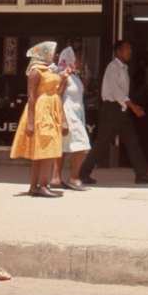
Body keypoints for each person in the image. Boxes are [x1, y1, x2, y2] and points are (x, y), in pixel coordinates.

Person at [80, 39, 148, 185]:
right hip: (112, 110)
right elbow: (116, 92)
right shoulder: (113, 67)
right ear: (118, 52)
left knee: (132, 141)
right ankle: (83, 173)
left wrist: (131, 105)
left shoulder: (124, 68)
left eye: (130, 49)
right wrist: (133, 106)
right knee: (102, 143)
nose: (130, 52)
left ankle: (142, 174)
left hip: (121, 110)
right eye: (126, 49)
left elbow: (122, 92)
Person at [9, 41, 69, 198]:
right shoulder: (36, 71)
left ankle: (35, 186)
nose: (54, 55)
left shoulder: (50, 70)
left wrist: (63, 79)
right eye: (52, 52)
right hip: (41, 110)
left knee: (42, 150)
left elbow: (58, 93)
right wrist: (30, 121)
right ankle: (42, 185)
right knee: (47, 147)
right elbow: (31, 96)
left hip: (53, 108)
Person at [54, 43, 90, 191]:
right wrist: (62, 120)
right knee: (83, 145)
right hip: (67, 115)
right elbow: (58, 97)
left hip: (76, 114)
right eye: (78, 59)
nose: (81, 62)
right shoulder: (63, 75)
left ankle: (55, 179)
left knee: (63, 148)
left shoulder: (73, 75)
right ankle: (74, 178)